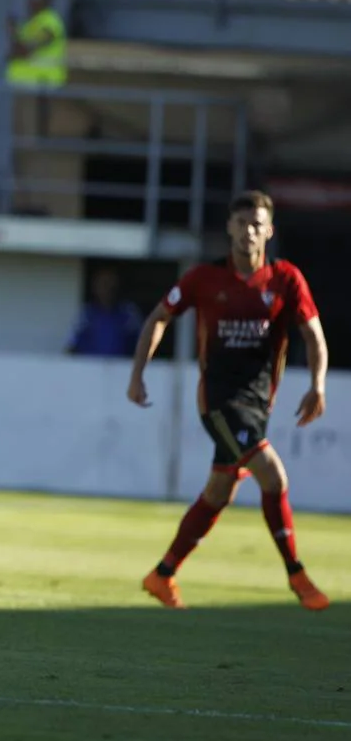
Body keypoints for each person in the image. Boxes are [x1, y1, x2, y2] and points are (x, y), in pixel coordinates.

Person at [128, 190, 330, 612]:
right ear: (229, 229)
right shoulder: (204, 279)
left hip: (258, 404)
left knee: (218, 491)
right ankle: (296, 573)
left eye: (256, 224)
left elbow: (313, 334)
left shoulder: (285, 279)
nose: (248, 231)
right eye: (241, 223)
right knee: (273, 476)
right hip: (218, 403)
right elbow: (158, 317)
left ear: (269, 231)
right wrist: (138, 374)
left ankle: (162, 575)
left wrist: (318, 385)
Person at [66, 267, 141, 357]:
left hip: (122, 367)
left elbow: (141, 343)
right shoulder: (87, 313)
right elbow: (71, 346)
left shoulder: (129, 312)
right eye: (104, 284)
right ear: (95, 287)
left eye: (112, 285)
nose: (108, 289)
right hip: (89, 366)